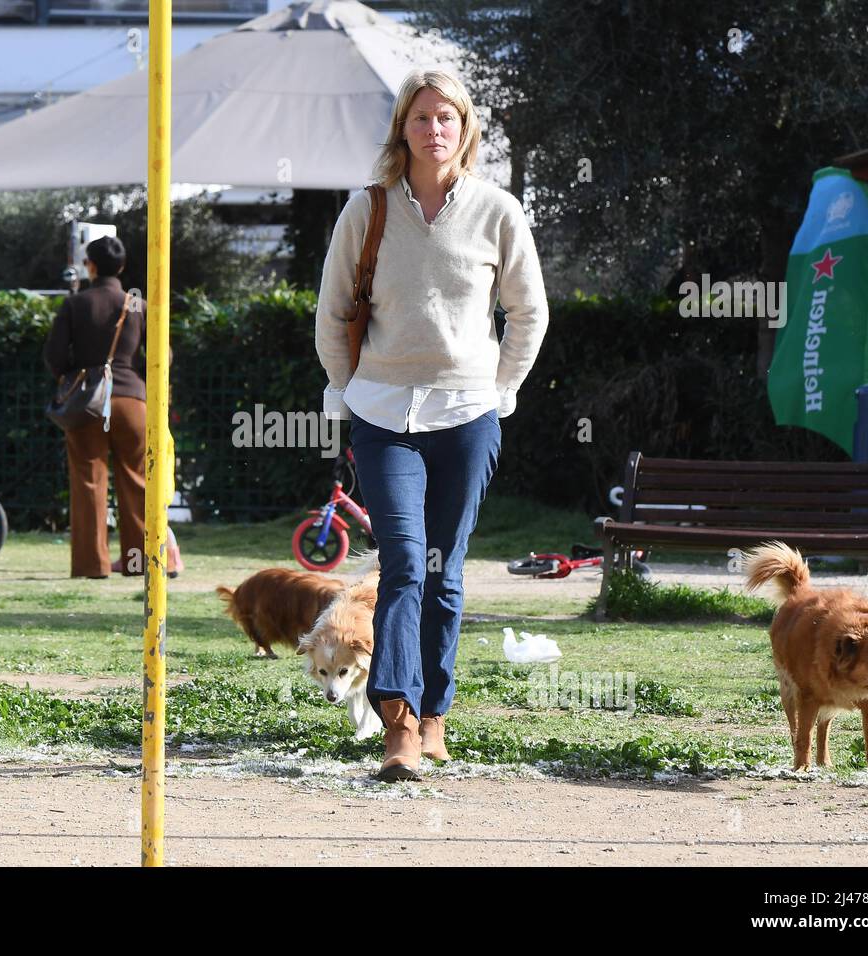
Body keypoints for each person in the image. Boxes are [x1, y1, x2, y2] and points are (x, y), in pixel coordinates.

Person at [314, 69, 549, 782]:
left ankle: (438, 713)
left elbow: (529, 311)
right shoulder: (367, 210)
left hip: (467, 414)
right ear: (403, 130)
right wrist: (346, 391)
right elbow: (331, 314)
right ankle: (401, 725)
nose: (434, 129)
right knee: (405, 567)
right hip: (384, 415)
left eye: (447, 117)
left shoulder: (497, 209)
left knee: (445, 574)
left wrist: (500, 390)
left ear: (465, 129)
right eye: (421, 118)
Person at [44, 235, 182, 579]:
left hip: (88, 403)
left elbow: (54, 357)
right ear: (121, 267)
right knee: (137, 482)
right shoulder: (137, 305)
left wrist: (72, 372)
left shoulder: (76, 304)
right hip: (134, 401)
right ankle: (138, 564)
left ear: (90, 265)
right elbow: (162, 355)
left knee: (89, 481)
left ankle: (93, 567)